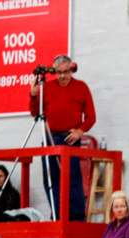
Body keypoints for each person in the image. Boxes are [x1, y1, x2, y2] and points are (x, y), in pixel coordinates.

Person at [29, 54, 95, 221]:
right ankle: (57, 215)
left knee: (73, 178)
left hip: (70, 138)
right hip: (50, 137)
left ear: (71, 69)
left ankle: (77, 217)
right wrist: (33, 95)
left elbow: (91, 117)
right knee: (51, 178)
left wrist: (80, 131)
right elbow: (35, 113)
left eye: (65, 72)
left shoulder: (81, 87)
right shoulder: (48, 87)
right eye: (58, 72)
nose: (62, 76)